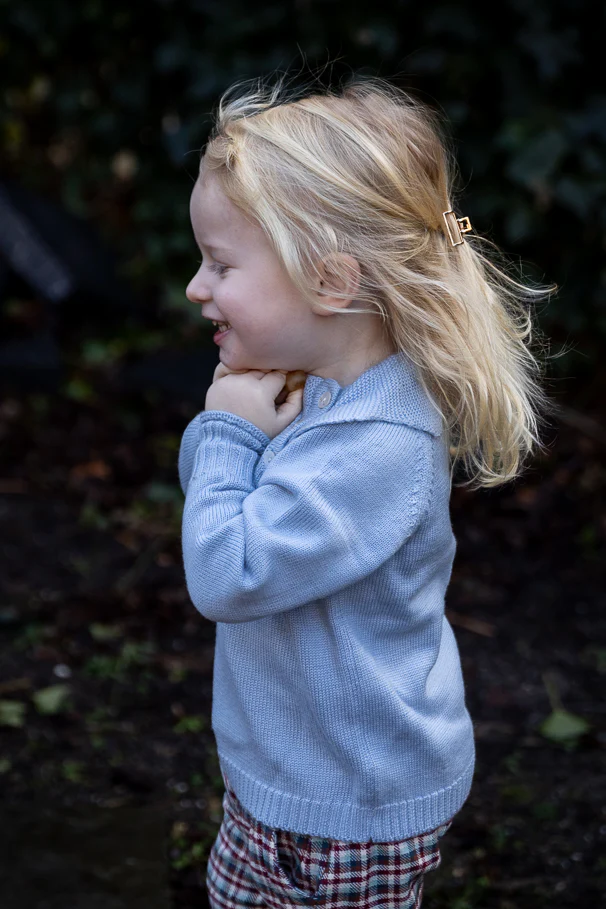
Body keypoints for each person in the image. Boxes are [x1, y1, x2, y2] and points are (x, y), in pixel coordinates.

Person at [178, 72, 557, 908]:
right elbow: (222, 512)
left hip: (350, 805)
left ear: (332, 282)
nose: (197, 287)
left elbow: (226, 571)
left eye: (221, 264)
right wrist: (232, 428)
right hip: (289, 777)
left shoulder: (378, 445)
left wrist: (228, 429)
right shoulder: (311, 383)